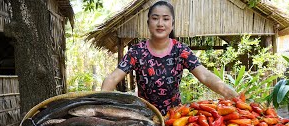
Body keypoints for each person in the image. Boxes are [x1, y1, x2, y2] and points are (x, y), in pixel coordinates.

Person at [101, 0, 238, 115]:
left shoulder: (181, 50)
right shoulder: (136, 51)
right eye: (155, 18)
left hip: (175, 117)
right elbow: (113, 78)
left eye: (166, 19)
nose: (160, 23)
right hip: (145, 116)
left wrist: (231, 95)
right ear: (148, 23)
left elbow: (205, 76)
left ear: (172, 24)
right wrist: (100, 102)